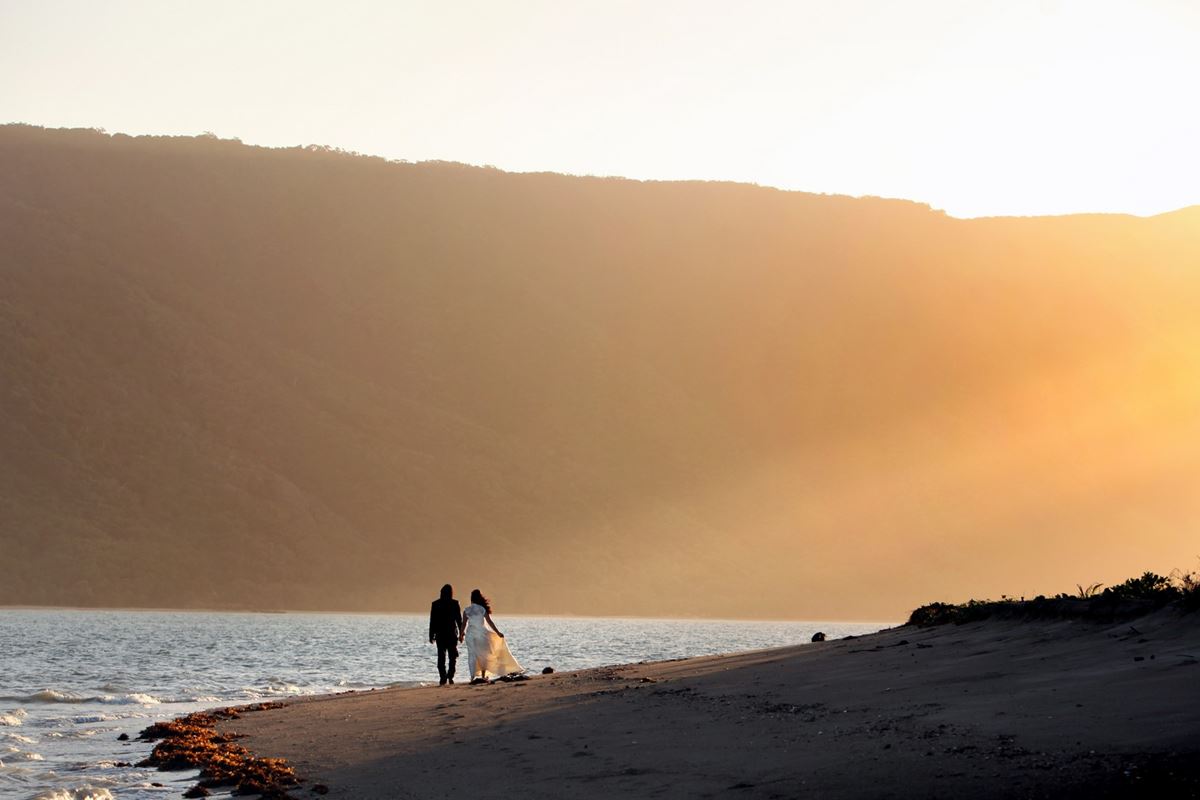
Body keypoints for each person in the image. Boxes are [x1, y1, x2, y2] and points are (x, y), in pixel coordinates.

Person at [462, 589, 522, 683]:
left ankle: (472, 676)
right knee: (484, 654)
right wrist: (497, 632)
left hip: (470, 635)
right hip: (481, 634)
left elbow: (463, 624)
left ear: (471, 599)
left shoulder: (467, 610)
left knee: (472, 654)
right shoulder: (482, 609)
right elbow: (489, 622)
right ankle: (482, 675)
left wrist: (461, 634)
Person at [429, 583, 464, 686]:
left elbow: (432, 621)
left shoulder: (435, 604)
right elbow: (459, 620)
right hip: (452, 634)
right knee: (452, 657)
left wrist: (431, 635)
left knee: (441, 657)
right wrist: (461, 633)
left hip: (440, 634)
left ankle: (442, 678)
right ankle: (450, 676)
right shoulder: (455, 603)